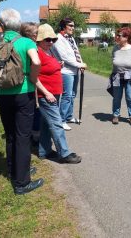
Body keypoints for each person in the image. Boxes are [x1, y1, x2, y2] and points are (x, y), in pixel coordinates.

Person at [0, 9, 44, 195]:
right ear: (19, 25)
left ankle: (15, 171)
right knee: (23, 136)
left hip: (3, 94)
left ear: (1, 25)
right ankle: (22, 182)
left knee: (10, 133)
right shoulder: (26, 42)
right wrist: (33, 80)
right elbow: (36, 62)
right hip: (24, 93)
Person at [35, 24, 81, 163]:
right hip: (46, 95)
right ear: (40, 39)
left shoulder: (49, 51)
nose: (50, 42)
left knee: (45, 124)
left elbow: (49, 67)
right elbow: (34, 77)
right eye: (47, 39)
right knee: (57, 124)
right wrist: (46, 92)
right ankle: (64, 153)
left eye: (52, 39)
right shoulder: (37, 52)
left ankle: (44, 151)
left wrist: (58, 64)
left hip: (54, 93)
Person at [51, 18, 87, 131]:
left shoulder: (70, 38)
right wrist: (78, 65)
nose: (73, 28)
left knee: (72, 95)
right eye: (70, 25)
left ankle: (68, 116)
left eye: (73, 25)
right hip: (66, 72)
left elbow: (76, 52)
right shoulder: (58, 39)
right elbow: (64, 57)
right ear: (63, 26)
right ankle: (61, 120)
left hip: (75, 70)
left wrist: (80, 64)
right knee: (67, 96)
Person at [107, 27, 131, 125]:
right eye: (117, 35)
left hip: (129, 77)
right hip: (117, 76)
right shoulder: (115, 48)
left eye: (119, 35)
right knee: (116, 97)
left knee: (130, 97)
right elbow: (113, 59)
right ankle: (115, 115)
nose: (117, 37)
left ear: (126, 37)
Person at [20, 22, 40, 141]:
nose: (38, 35)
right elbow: (35, 63)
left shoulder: (17, 43)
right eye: (36, 33)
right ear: (29, 34)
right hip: (30, 82)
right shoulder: (30, 44)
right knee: (35, 109)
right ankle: (35, 138)